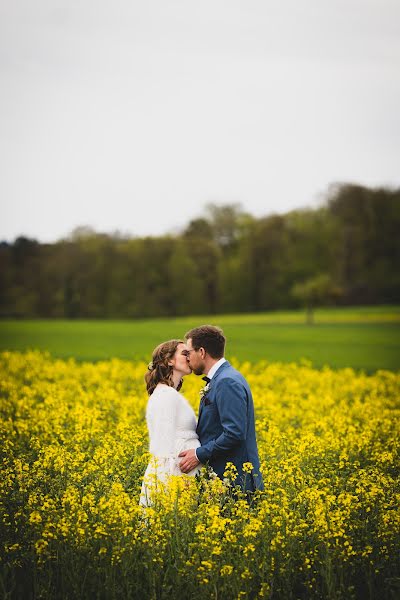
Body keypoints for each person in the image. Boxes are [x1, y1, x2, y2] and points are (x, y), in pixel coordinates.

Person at [178, 325, 264, 493]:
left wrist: (198, 454)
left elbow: (234, 433)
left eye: (189, 352)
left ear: (201, 352)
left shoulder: (226, 382)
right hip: (225, 482)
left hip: (236, 483)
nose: (187, 358)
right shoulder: (223, 378)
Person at [139, 339, 202, 507]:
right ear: (169, 360)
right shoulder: (166, 394)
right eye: (184, 354)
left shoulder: (167, 393)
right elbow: (163, 450)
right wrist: (175, 485)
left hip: (181, 476)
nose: (189, 358)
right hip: (176, 479)